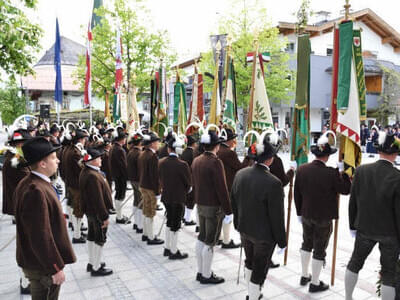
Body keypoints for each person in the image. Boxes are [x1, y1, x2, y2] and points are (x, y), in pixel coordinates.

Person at [15, 137, 76, 300]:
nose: (58, 161)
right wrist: (54, 267)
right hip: (42, 266)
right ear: (42, 163)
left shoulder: (33, 182)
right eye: (53, 158)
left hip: (40, 262)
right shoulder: (35, 190)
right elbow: (39, 236)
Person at [345, 131, 400, 300]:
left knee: (355, 263)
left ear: (378, 151)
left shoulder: (361, 171)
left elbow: (352, 202)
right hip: (390, 233)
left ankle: (348, 297)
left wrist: (352, 226)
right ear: (396, 154)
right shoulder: (397, 177)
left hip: (365, 227)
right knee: (389, 274)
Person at [294, 133, 351, 293]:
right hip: (324, 217)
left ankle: (305, 275)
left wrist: (299, 212)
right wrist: (344, 174)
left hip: (306, 214)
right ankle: (314, 282)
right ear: (327, 156)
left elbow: (296, 193)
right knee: (319, 249)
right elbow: (346, 190)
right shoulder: (331, 173)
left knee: (306, 243)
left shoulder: (302, 169)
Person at [231, 138, 287, 300]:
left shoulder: (240, 174)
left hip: (245, 229)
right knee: (259, 269)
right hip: (264, 235)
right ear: (269, 160)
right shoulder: (274, 183)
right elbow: (277, 217)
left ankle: (251, 292)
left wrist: (237, 223)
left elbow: (233, 201)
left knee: (249, 262)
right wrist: (282, 241)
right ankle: (253, 296)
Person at [192, 130, 232, 284]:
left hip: (200, 204)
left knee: (202, 237)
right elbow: (221, 188)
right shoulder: (215, 162)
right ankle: (206, 275)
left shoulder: (197, 160)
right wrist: (228, 210)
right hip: (213, 207)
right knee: (210, 241)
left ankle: (201, 271)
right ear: (216, 146)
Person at [1, 129, 32, 294]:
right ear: (19, 144)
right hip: (21, 206)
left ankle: (26, 280)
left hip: (19, 205)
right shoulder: (15, 160)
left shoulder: (14, 158)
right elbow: (27, 181)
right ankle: (26, 282)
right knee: (25, 245)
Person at [79, 147, 113, 277]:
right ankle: (96, 267)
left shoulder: (87, 171)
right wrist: (104, 216)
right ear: (92, 161)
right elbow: (98, 199)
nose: (101, 159)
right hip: (97, 212)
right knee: (99, 238)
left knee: (92, 236)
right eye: (98, 158)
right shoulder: (92, 176)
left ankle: (92, 262)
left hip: (91, 211)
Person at [159, 134, 191, 259]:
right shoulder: (182, 165)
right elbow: (188, 185)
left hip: (166, 197)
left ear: (169, 149)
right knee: (176, 224)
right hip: (178, 198)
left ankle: (167, 247)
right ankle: (173, 250)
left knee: (169, 221)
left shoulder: (161, 162)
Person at [217, 128, 245, 249]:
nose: (235, 141)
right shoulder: (229, 153)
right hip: (228, 187)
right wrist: (249, 158)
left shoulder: (218, 150)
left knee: (220, 214)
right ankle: (226, 240)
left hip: (218, 186)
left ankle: (219, 237)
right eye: (233, 138)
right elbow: (240, 168)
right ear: (229, 140)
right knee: (227, 213)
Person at [63, 129, 89, 243]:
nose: (85, 141)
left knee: (75, 208)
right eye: (84, 139)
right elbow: (81, 169)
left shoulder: (69, 149)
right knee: (78, 210)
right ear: (79, 140)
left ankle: (77, 231)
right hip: (76, 185)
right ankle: (77, 235)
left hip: (71, 183)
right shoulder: (75, 153)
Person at [138, 131, 164, 245]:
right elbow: (155, 176)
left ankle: (145, 233)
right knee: (150, 211)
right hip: (150, 187)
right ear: (152, 143)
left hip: (143, 185)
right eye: (157, 141)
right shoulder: (152, 156)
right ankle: (150, 236)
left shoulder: (143, 153)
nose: (158, 143)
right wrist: (158, 190)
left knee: (145, 209)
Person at [110, 128, 131, 224]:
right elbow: (123, 165)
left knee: (118, 194)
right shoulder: (119, 150)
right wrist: (128, 176)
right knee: (120, 195)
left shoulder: (113, 147)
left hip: (116, 175)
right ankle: (119, 217)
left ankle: (119, 215)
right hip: (120, 176)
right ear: (122, 139)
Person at [127, 132, 144, 233]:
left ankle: (136, 223)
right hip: (138, 180)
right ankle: (139, 225)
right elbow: (140, 169)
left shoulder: (131, 151)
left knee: (136, 200)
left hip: (132, 179)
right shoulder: (138, 153)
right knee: (140, 202)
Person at [180, 135, 197, 226]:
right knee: (191, 199)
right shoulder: (193, 153)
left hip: (183, 177)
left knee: (186, 198)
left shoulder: (184, 152)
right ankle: (187, 218)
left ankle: (185, 217)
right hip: (191, 178)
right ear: (194, 144)